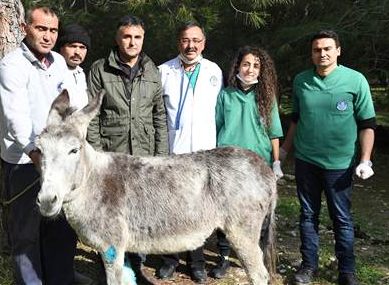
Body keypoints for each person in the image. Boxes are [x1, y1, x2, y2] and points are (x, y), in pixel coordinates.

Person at [0, 6, 92, 285]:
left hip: (58, 161)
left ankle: (60, 278)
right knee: (27, 232)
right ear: (26, 28)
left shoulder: (59, 63)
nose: (48, 36)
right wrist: (38, 158)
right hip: (26, 162)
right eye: (41, 29)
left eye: (52, 31)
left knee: (61, 227)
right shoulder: (11, 66)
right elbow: (16, 120)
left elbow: (69, 106)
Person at [280, 29, 376, 285]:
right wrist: (283, 153)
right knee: (308, 216)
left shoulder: (356, 81)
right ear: (312, 53)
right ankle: (308, 267)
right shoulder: (301, 81)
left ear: (338, 51)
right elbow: (296, 121)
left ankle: (347, 271)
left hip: (340, 165)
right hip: (307, 162)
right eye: (317, 49)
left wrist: (365, 159)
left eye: (327, 49)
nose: (322, 53)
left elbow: (367, 124)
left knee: (342, 218)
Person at [86, 14, 169, 283]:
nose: (132, 42)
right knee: (109, 214)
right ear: (117, 38)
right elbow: (93, 116)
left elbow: (159, 116)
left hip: (144, 157)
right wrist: (97, 157)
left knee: (141, 212)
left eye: (137, 37)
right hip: (111, 156)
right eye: (127, 36)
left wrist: (162, 158)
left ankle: (137, 265)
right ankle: (109, 265)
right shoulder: (100, 69)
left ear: (143, 39)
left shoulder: (152, 70)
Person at [155, 21, 223, 283]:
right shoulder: (164, 71)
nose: (191, 45)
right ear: (178, 43)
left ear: (203, 43)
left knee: (199, 210)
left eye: (196, 40)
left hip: (205, 153)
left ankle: (196, 262)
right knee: (171, 209)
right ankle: (170, 259)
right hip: (174, 152)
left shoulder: (214, 72)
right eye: (185, 40)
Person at [214, 45, 284, 277]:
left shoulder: (266, 97)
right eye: (246, 64)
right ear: (237, 66)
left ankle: (257, 257)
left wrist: (276, 163)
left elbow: (274, 133)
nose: (250, 69)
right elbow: (217, 126)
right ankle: (223, 257)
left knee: (258, 215)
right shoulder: (226, 95)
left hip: (258, 167)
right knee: (225, 213)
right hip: (229, 165)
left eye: (256, 66)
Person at [54, 23, 91, 111]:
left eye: (82, 47)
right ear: (61, 48)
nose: (77, 52)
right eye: (72, 46)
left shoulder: (81, 74)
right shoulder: (51, 72)